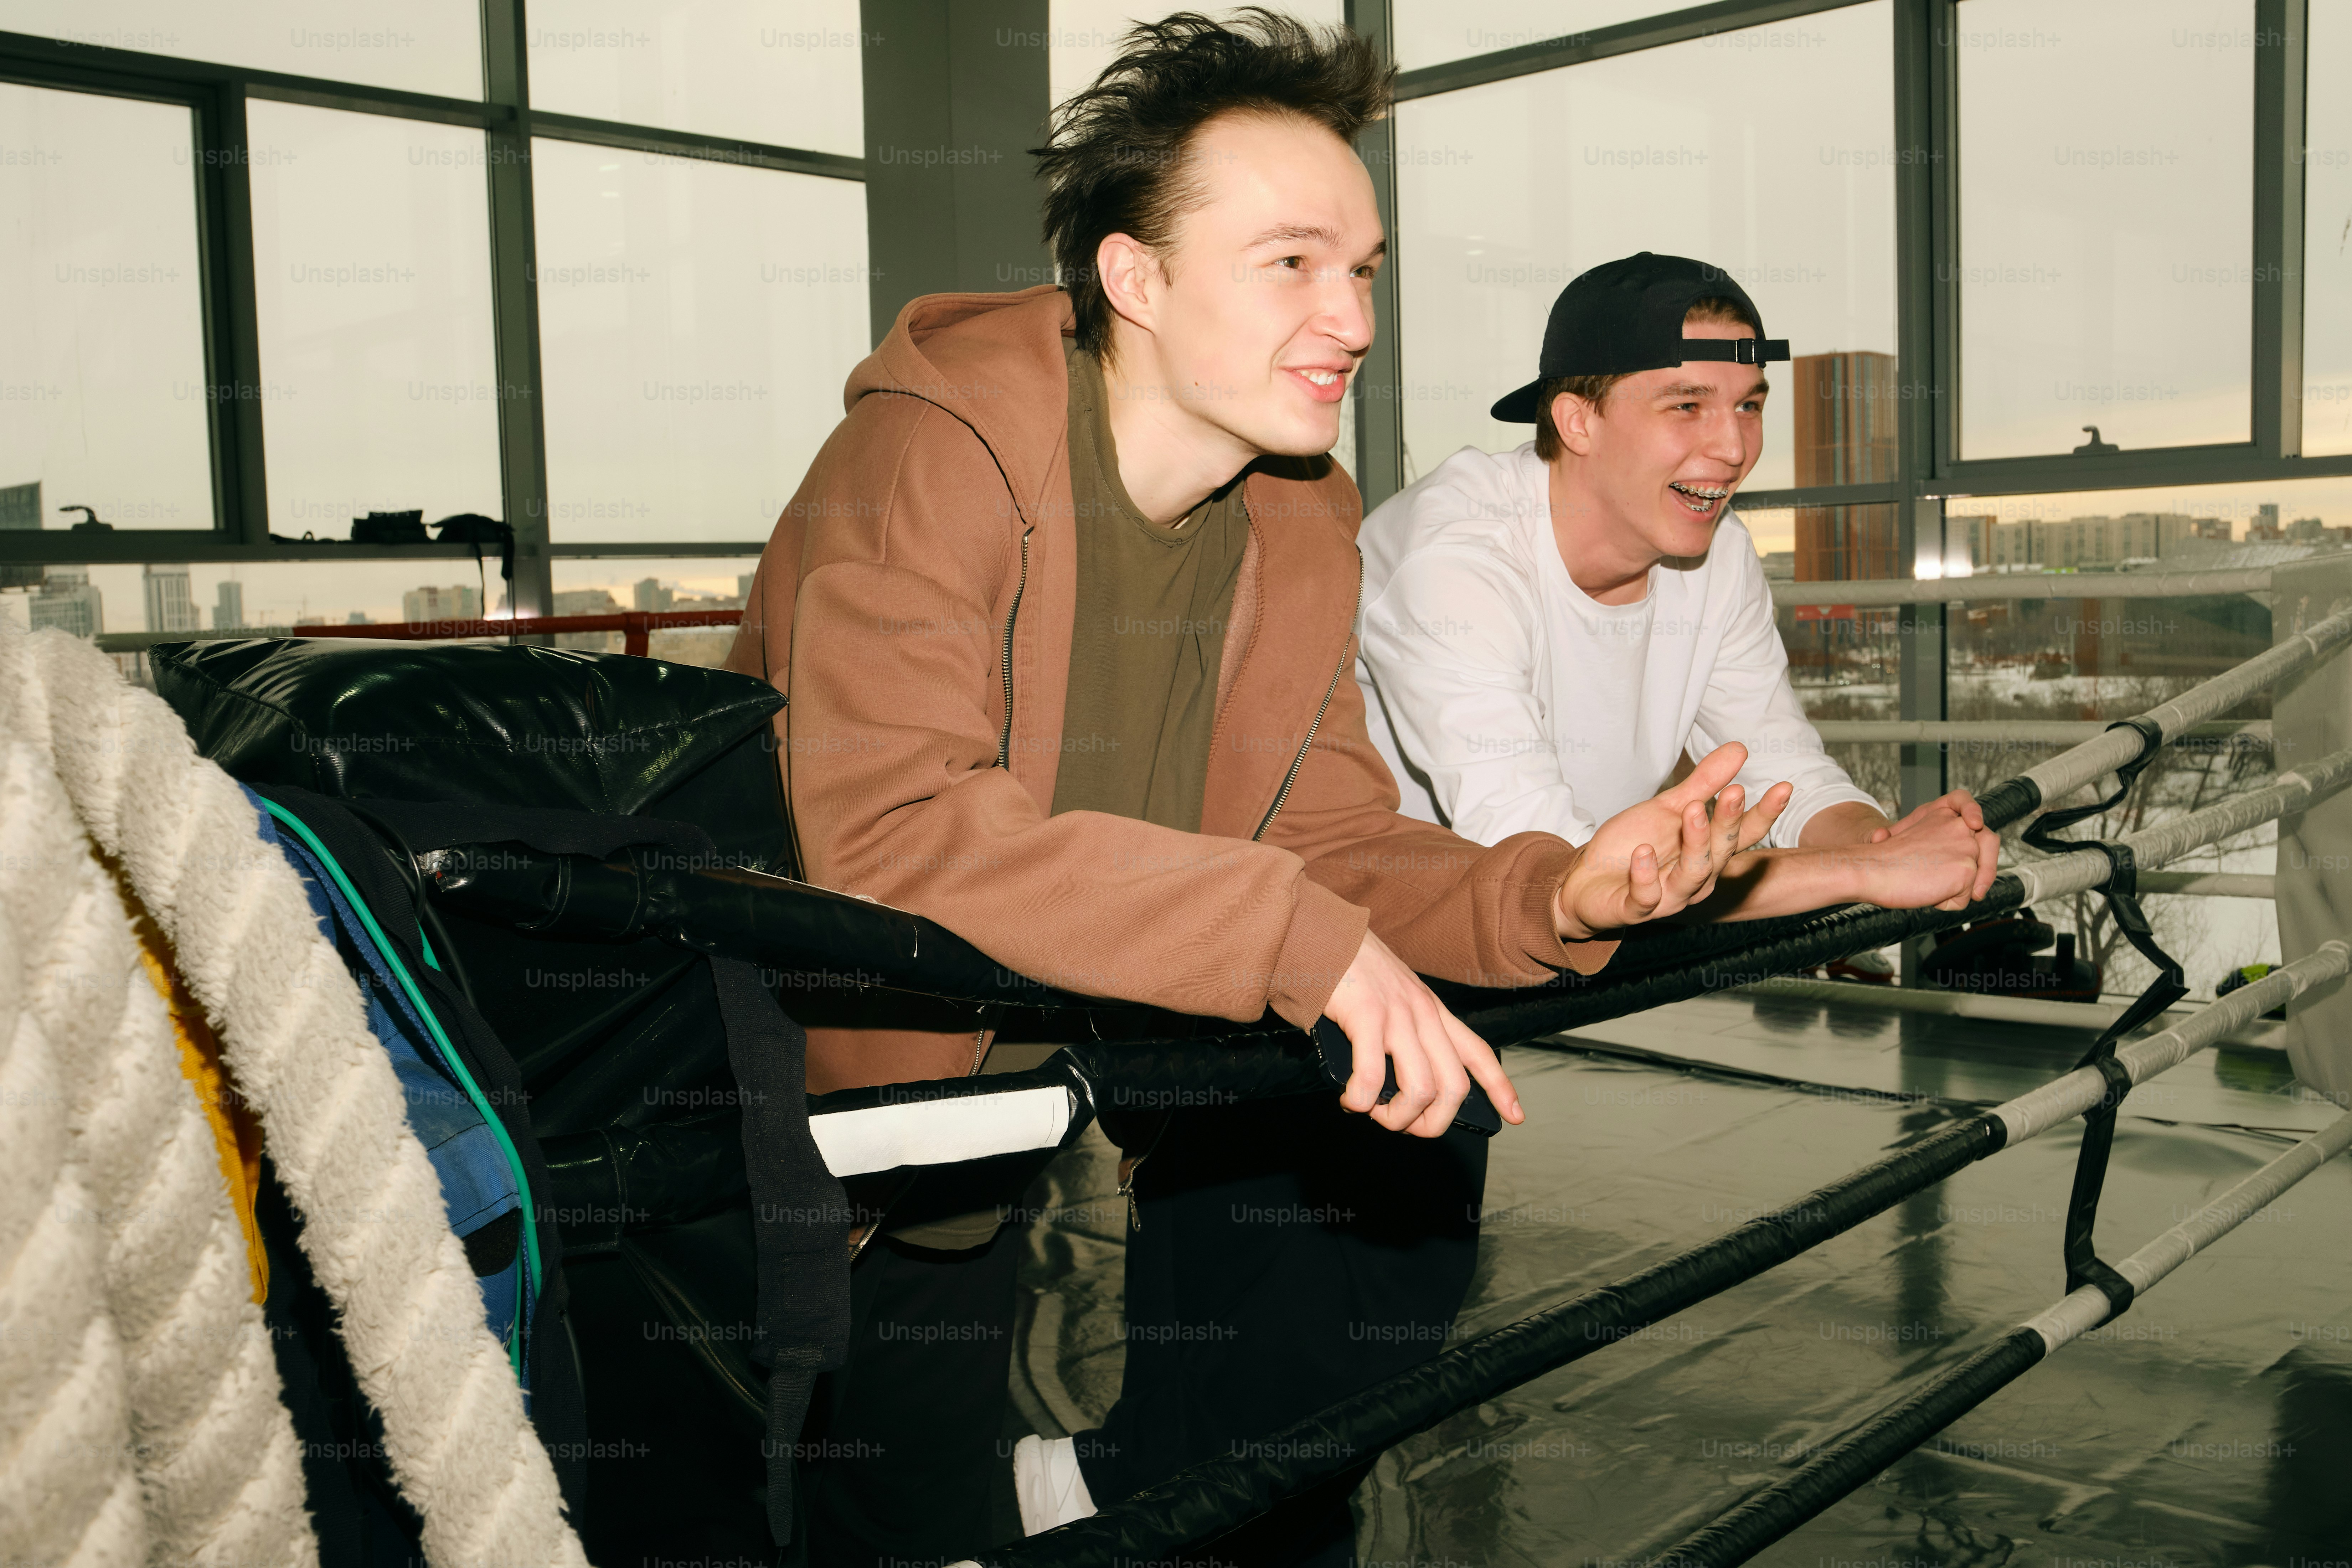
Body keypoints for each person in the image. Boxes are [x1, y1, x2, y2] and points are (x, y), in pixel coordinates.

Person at [728, 22, 1815, 1568]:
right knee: (830, 1502)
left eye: (1364, 268)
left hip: (1009, 1083)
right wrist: (1293, 937)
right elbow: (891, 832)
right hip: (787, 1095)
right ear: (1137, 280)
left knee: (962, 1481)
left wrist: (1552, 888)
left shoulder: (1298, 518)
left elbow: (1333, 838)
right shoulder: (932, 454)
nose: (1350, 316)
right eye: (1291, 263)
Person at [1356, 252, 2001, 923]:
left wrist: (1898, 845)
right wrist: (1870, 871)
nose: (1733, 447)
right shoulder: (1455, 558)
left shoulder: (1718, 552)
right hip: (1358, 948)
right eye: (1688, 405)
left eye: (1749, 405)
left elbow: (1781, 775)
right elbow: (1553, 872)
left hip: (1525, 950)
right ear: (1578, 421)